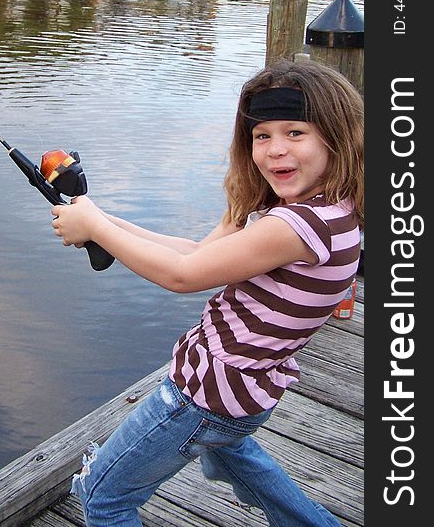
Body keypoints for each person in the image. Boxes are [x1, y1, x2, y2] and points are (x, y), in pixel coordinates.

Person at [50, 59, 364, 526]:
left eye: (295, 132)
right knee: (230, 450)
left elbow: (183, 275)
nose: (275, 149)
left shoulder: (297, 225)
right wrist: (103, 221)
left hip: (204, 394)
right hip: (242, 393)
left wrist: (93, 225)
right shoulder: (330, 210)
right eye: (262, 136)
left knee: (103, 496)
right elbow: (197, 252)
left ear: (335, 137)